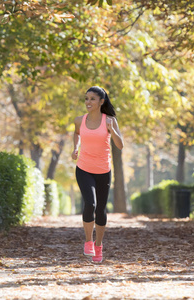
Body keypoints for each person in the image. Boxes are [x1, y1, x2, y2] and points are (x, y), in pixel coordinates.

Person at [71, 86, 124, 263]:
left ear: (101, 101)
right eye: (86, 98)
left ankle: (99, 245)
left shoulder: (109, 120)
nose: (88, 102)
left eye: (92, 99)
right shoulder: (79, 120)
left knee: (100, 209)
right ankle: (88, 242)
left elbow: (120, 145)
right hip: (84, 168)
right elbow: (76, 134)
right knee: (90, 203)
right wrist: (75, 148)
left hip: (103, 171)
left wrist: (113, 130)